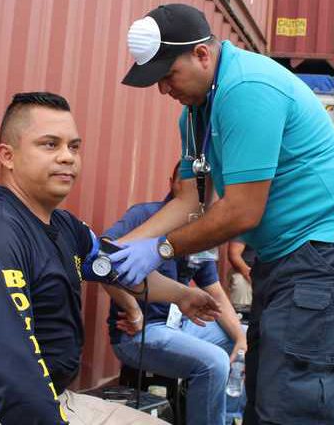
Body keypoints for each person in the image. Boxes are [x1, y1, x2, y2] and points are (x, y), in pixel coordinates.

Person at [109, 4, 334, 425]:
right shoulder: (195, 114)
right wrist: (121, 248)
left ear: (202, 54)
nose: (163, 89)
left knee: (293, 401)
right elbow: (190, 200)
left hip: (329, 250)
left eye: (168, 75)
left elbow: (241, 212)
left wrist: (160, 248)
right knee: (265, 392)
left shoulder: (247, 88)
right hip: (284, 254)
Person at [0, 92, 220, 425]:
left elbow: (116, 268)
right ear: (7, 156)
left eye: (74, 147)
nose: (67, 157)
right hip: (4, 413)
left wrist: (182, 295)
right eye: (49, 145)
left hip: (57, 398)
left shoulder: (65, 226)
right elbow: (8, 364)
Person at [104, 163, 246, 425]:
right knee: (215, 362)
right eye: (187, 180)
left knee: (249, 337)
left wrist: (240, 338)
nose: (197, 188)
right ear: (172, 183)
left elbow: (214, 290)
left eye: (203, 183)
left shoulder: (200, 231)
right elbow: (104, 262)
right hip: (140, 332)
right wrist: (133, 310)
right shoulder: (144, 215)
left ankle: (229, 418)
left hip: (180, 325)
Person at [227, 240, 254, 308]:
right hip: (245, 274)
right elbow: (234, 254)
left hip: (271, 275)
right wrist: (251, 276)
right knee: (240, 282)